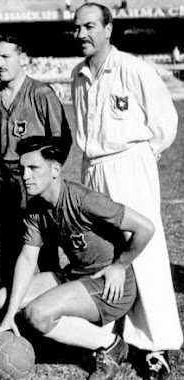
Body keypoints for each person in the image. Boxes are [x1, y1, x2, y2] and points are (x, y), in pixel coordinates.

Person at [71, 3, 182, 378]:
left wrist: (142, 158)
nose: (82, 34)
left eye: (89, 26)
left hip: (130, 163)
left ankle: (158, 345)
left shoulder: (133, 69)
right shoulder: (78, 74)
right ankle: (114, 337)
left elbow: (165, 121)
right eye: (77, 28)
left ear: (108, 29)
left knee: (143, 252)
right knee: (104, 251)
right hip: (94, 168)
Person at [0, 137, 156, 380]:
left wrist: (120, 265)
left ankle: (111, 346)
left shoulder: (84, 200)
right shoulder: (36, 208)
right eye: (22, 169)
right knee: (3, 299)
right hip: (77, 275)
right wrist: (7, 317)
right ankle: (56, 339)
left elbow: (146, 228)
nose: (25, 176)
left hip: (109, 284)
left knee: (37, 314)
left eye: (33, 168)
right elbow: (27, 259)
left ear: (55, 169)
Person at [0, 34, 72, 279]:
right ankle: (11, 307)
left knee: (43, 248)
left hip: (35, 182)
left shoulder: (41, 94)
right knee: (9, 247)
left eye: (6, 57)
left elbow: (61, 139)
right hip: (4, 180)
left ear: (23, 59)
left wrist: (48, 179)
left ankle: (50, 306)